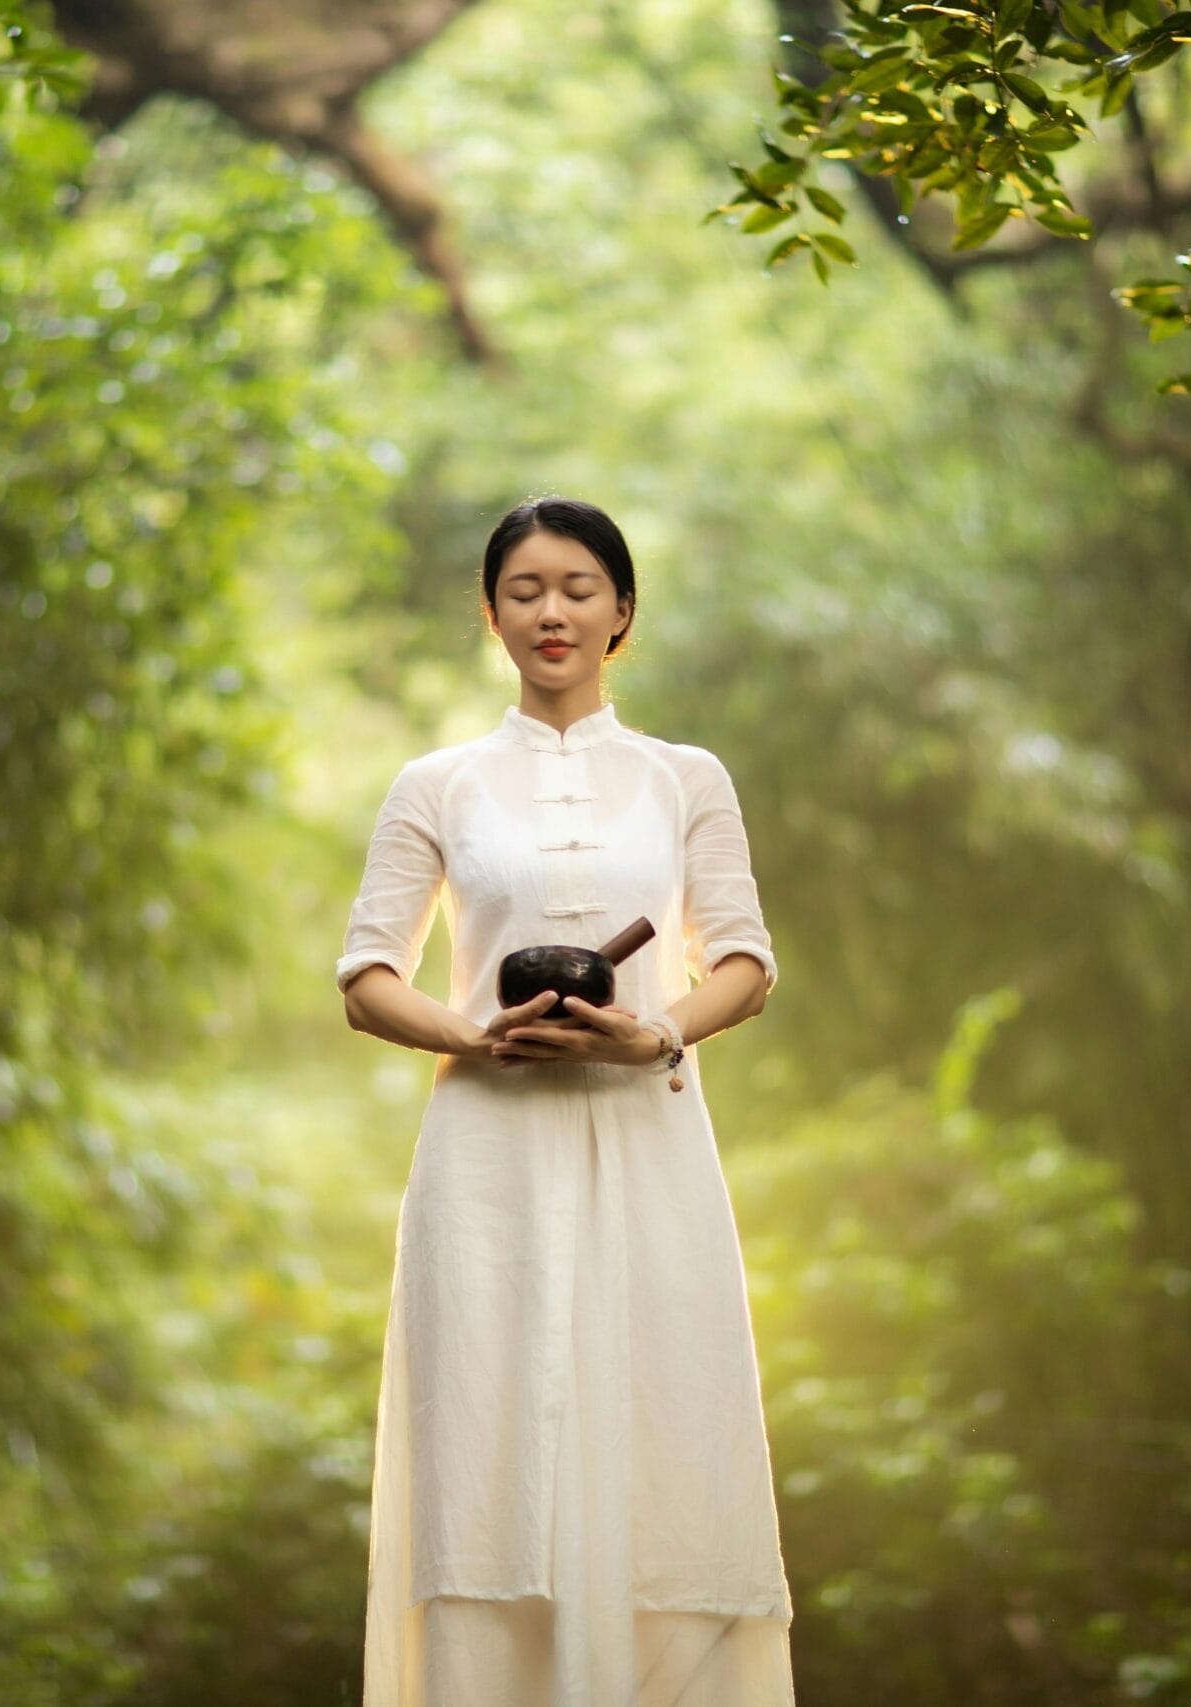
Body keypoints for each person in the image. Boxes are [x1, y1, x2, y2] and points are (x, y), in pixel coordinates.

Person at [336, 495, 798, 1706]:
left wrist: (651, 1032)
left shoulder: (684, 778)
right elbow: (365, 976)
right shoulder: (435, 784)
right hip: (482, 1162)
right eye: (526, 589)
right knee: (489, 1458)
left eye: (579, 587)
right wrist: (472, 1038)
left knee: (660, 1435)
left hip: (651, 1145)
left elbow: (742, 964)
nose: (553, 610)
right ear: (490, 615)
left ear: (622, 613)